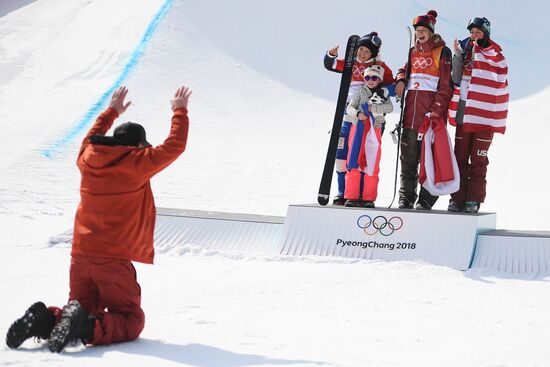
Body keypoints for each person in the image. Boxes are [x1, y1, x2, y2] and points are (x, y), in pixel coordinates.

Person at [5, 85, 192, 352]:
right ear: (138, 145)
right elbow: (175, 145)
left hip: (81, 255)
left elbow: (90, 138)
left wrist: (111, 112)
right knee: (130, 319)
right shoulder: (138, 163)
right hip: (113, 259)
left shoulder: (88, 158)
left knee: (80, 309)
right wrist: (179, 109)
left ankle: (46, 320)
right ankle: (85, 328)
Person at [324, 32, 394, 205]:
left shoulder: (380, 66)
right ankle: (344, 192)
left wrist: (384, 91)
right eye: (360, 50)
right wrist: (331, 55)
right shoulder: (350, 63)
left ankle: (363, 195)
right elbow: (330, 64)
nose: (362, 54)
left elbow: (393, 87)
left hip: (371, 119)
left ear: (373, 54)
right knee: (343, 154)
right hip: (349, 114)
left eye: (366, 52)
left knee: (366, 155)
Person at [447, 17, 508, 213]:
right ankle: (457, 199)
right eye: (472, 32)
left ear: (485, 33)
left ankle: (474, 199)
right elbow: (456, 79)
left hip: (483, 115)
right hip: (464, 112)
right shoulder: (465, 51)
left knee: (478, 160)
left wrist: (479, 56)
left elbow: (499, 79)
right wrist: (458, 55)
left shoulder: (495, 54)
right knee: (460, 158)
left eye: (478, 32)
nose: (473, 36)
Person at [394, 10, 453, 210]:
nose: (419, 33)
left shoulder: (442, 51)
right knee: (408, 160)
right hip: (410, 115)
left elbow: (446, 85)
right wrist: (401, 79)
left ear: (430, 31)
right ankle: (406, 196)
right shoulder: (412, 51)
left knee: (429, 159)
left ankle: (426, 199)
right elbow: (405, 69)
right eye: (417, 30)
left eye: (422, 30)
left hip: (429, 117)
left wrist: (436, 110)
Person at [344, 65, 393, 207]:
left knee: (372, 162)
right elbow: (350, 108)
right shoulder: (360, 92)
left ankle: (368, 198)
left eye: (374, 78)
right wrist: (359, 114)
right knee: (353, 159)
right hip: (358, 128)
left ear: (379, 79)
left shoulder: (383, 94)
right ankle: (351, 196)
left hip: (374, 129)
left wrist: (373, 108)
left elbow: (389, 108)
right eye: (367, 77)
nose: (370, 80)